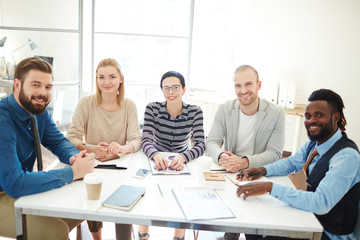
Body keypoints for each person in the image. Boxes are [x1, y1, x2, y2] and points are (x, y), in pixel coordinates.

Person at [236, 89, 360, 240]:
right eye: (308, 116)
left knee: (262, 228)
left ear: (336, 117)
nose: (311, 120)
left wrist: (270, 187)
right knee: (254, 219)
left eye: (319, 115)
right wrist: (263, 170)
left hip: (328, 232)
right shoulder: (316, 141)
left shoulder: (346, 156)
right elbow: (293, 162)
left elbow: (321, 202)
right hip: (311, 218)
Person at [0, 57, 95, 240]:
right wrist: (72, 173)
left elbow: (58, 142)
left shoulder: (37, 110)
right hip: (4, 191)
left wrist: (76, 157)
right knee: (54, 231)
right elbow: (15, 184)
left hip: (20, 187)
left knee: (79, 211)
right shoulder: (3, 119)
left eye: (48, 87)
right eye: (35, 85)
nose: (42, 93)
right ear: (17, 84)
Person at [206, 65, 285, 240]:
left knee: (253, 229)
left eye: (248, 84)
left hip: (258, 172)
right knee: (230, 219)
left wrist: (244, 162)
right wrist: (221, 156)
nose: (243, 91)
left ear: (259, 85)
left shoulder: (276, 113)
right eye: (238, 86)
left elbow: (275, 154)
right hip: (229, 171)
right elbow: (211, 142)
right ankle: (231, 233)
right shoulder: (225, 109)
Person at [67, 58, 141, 240]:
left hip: (122, 168)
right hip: (93, 167)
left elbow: (136, 139)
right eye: (101, 77)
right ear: (96, 79)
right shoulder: (85, 103)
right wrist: (91, 148)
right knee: (93, 203)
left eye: (112, 77)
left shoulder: (129, 105)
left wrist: (123, 148)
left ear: (121, 79)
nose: (106, 82)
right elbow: (72, 136)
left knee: (123, 208)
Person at [140, 70, 205, 240]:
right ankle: (143, 234)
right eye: (166, 88)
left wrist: (184, 157)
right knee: (148, 192)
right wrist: (155, 155)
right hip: (156, 156)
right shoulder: (152, 108)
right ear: (162, 91)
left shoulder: (195, 111)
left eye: (175, 87)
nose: (171, 92)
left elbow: (200, 144)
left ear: (183, 89)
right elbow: (145, 139)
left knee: (181, 196)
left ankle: (178, 236)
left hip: (182, 159)